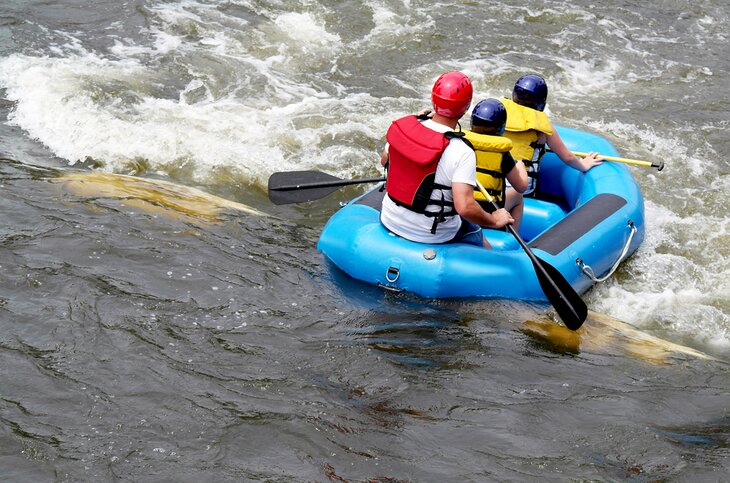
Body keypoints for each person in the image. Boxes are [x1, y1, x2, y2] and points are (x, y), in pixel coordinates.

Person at [379, 71, 513, 248]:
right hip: (432, 234)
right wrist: (494, 220)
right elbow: (465, 207)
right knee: (476, 233)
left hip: (390, 218)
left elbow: (384, 160)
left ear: (433, 100)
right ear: (466, 108)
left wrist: (417, 122)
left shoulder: (405, 127)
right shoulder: (462, 150)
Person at [500, 74, 603, 198]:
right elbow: (568, 157)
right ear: (541, 102)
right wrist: (583, 165)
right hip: (521, 189)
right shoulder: (543, 128)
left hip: (494, 182)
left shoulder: (500, 116)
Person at [462, 98, 529, 233]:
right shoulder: (502, 154)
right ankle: (510, 238)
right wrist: (521, 166)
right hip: (488, 211)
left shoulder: (460, 144)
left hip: (460, 208)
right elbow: (521, 187)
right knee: (518, 196)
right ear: (502, 128)